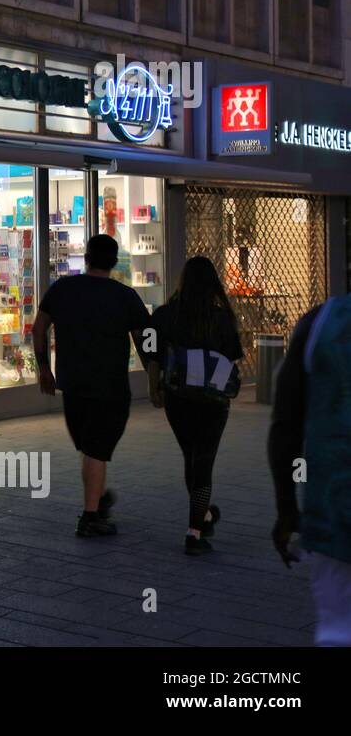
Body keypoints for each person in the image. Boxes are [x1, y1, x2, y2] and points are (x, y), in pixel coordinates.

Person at [34, 234, 151, 537]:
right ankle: (90, 516)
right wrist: (155, 376)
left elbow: (39, 327)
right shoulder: (125, 296)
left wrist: (44, 368)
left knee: (90, 448)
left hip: (72, 385)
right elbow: (144, 340)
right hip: (110, 387)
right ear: (114, 262)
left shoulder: (63, 289)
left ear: (85, 258)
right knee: (96, 449)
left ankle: (97, 501)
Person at [147, 256, 244, 555]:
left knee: (191, 456)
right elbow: (233, 357)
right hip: (213, 400)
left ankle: (202, 516)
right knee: (204, 460)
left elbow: (151, 351)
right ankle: (195, 532)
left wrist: (154, 387)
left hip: (178, 398)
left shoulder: (164, 315)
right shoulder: (221, 317)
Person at [269, 295, 351, 646]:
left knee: (338, 631)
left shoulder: (321, 322)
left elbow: (285, 425)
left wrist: (287, 510)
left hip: (336, 518)